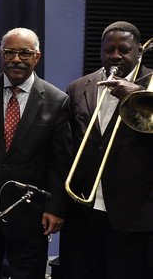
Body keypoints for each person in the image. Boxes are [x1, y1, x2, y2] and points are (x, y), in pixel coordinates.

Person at [0, 27, 72, 279]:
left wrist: (56, 207)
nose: (16, 59)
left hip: (31, 213)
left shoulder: (56, 100)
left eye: (24, 53)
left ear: (37, 57)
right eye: (9, 52)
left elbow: (60, 162)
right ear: (0, 55)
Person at [59, 21, 153, 279]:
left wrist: (139, 94)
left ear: (138, 52)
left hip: (132, 213)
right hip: (84, 210)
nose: (115, 56)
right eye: (109, 50)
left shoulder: (150, 84)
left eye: (124, 50)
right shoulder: (79, 86)